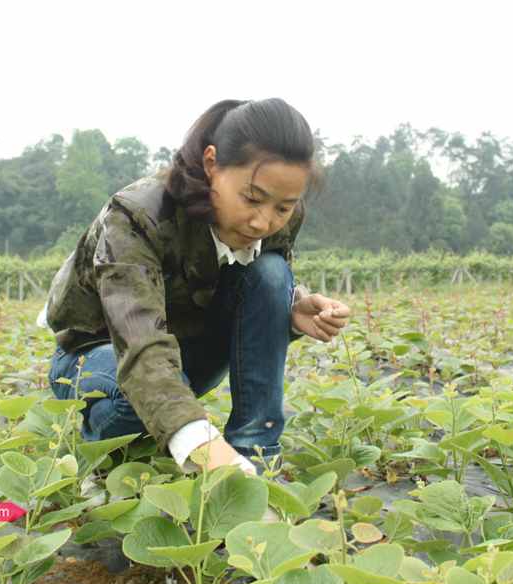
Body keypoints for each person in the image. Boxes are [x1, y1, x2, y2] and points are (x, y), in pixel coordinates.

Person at [39, 98, 351, 476]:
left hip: (186, 353)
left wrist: (289, 312)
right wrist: (203, 448)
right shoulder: (137, 216)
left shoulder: (280, 221)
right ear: (211, 164)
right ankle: (100, 440)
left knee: (271, 272)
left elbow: (254, 289)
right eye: (251, 198)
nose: (262, 221)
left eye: (282, 208)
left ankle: (256, 454)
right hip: (93, 354)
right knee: (147, 390)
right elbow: (141, 349)